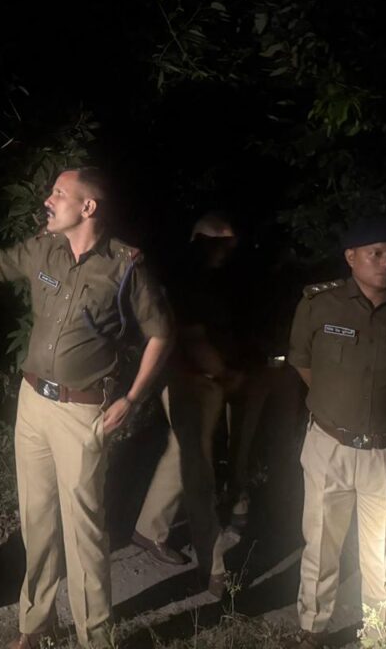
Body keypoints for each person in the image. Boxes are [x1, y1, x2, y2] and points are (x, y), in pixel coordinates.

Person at [0, 167, 174, 649]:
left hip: (81, 413)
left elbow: (160, 334)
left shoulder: (126, 265)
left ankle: (95, 637)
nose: (48, 200)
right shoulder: (43, 249)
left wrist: (132, 398)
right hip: (32, 403)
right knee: (37, 521)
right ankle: (35, 624)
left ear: (88, 207)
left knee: (83, 530)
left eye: (59, 193)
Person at [285, 217, 386, 648]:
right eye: (376, 253)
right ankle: (312, 629)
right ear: (351, 257)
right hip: (329, 444)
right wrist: (339, 405)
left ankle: (380, 637)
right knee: (320, 545)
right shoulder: (319, 304)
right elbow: (302, 361)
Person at [131, 212, 258, 596]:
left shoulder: (209, 277)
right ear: (202, 241)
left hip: (203, 380)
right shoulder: (189, 280)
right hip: (189, 381)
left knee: (181, 453)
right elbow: (192, 337)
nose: (227, 251)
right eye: (222, 243)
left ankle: (148, 529)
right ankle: (214, 569)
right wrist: (225, 374)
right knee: (198, 468)